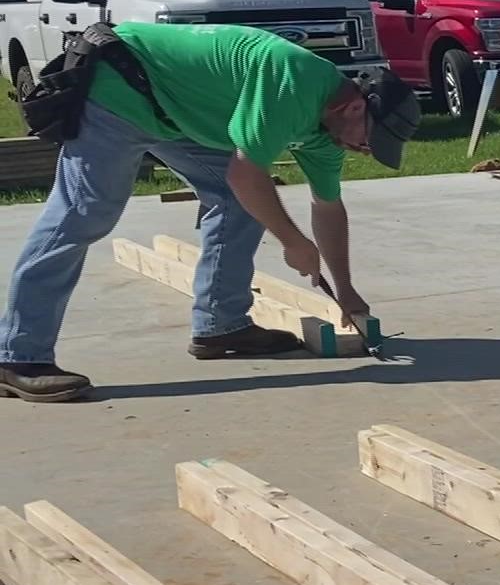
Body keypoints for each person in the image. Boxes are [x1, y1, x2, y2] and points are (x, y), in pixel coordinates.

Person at [0, 22, 421, 403]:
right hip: (118, 87)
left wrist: (344, 289)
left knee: (242, 199)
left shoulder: (329, 134)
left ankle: (221, 325)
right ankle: (19, 355)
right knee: (85, 213)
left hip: (172, 107)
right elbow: (245, 172)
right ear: (353, 107)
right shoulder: (294, 81)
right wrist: (293, 242)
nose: (364, 151)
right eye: (369, 141)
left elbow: (327, 207)